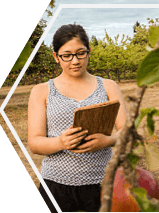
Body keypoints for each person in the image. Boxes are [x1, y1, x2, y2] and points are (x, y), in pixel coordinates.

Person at [28, 24, 127, 212]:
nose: (75, 61)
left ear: (88, 53)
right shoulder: (41, 91)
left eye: (80, 53)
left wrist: (108, 140)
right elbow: (34, 142)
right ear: (56, 57)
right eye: (67, 55)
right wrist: (61, 142)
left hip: (103, 181)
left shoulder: (108, 86)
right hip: (56, 183)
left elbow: (127, 131)